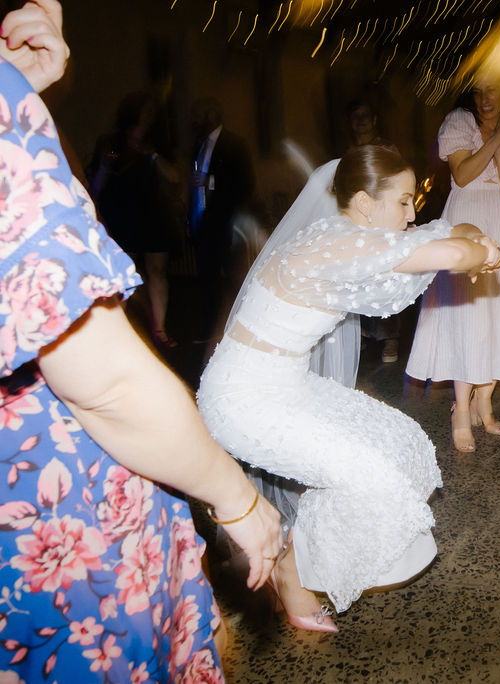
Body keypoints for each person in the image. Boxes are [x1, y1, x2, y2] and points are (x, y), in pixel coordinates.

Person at [0, 2, 283, 681]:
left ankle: (162, 324)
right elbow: (106, 382)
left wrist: (18, 88)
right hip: (59, 531)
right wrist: (238, 498)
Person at [197, 146, 500, 629]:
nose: (411, 213)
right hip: (244, 400)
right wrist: (486, 251)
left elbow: (449, 231)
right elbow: (450, 250)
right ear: (364, 202)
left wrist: (477, 238)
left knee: (402, 445)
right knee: (372, 477)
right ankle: (293, 569)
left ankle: (296, 551)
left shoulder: (351, 234)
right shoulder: (338, 244)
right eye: (402, 201)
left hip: (287, 384)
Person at [406, 72, 500, 452]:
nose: (485, 98)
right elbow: (463, 176)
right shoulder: (459, 122)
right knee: (466, 315)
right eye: (478, 91)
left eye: (492, 89)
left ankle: (485, 401)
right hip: (464, 220)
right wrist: (496, 140)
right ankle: (461, 410)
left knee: (499, 313)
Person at [88, 91, 181, 350]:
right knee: (123, 271)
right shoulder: (111, 142)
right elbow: (97, 184)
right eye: (145, 110)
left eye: (153, 112)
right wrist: (105, 167)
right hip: (123, 213)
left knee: (157, 271)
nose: (149, 116)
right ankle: (117, 331)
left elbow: (174, 177)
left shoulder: (158, 143)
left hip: (154, 213)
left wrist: (153, 155)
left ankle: (159, 330)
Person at [189, 97, 254, 343]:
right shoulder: (198, 145)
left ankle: (243, 329)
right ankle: (211, 332)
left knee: (236, 279)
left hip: (228, 225)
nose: (194, 120)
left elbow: (245, 183)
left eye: (198, 114)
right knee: (207, 281)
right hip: (204, 224)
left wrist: (210, 181)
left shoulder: (235, 144)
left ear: (212, 115)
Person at [345, 98, 401, 362]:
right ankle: (364, 334)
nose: (361, 121)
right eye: (355, 116)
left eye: (365, 115)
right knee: (359, 276)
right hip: (357, 221)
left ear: (374, 119)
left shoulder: (387, 148)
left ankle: (391, 337)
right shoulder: (348, 151)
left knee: (385, 276)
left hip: (381, 218)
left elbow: (396, 181)